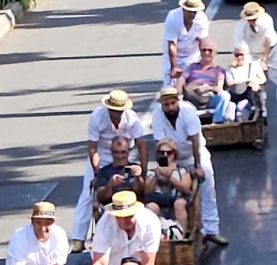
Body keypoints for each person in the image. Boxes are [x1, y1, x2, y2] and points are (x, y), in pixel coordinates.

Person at [71, 89, 148, 252]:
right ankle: (78, 238)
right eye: (113, 111)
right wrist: (98, 174)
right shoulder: (97, 117)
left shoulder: (131, 118)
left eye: (119, 111)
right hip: (103, 154)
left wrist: (143, 169)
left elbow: (142, 144)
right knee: (88, 193)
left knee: (133, 190)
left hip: (123, 153)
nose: (116, 114)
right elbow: (92, 148)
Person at [151, 87, 228, 247]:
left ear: (177, 101)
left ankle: (212, 230)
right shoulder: (157, 115)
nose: (170, 107)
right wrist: (166, 165)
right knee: (174, 191)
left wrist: (197, 166)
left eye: (173, 103)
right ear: (162, 104)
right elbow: (160, 143)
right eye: (167, 104)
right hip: (172, 154)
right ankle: (184, 229)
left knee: (207, 186)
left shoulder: (188, 111)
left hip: (194, 154)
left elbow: (195, 140)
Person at [233, 1, 277, 125]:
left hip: (272, 53)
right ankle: (262, 114)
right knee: (256, 86)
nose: (252, 21)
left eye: (254, 19)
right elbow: (239, 46)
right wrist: (241, 63)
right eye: (249, 19)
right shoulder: (240, 27)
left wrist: (264, 60)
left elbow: (267, 41)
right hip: (252, 55)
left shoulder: (266, 20)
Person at [91, 190, 161, 265]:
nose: (124, 221)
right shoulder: (104, 224)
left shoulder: (151, 223)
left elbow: (148, 262)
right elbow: (99, 264)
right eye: (119, 217)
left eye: (128, 217)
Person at [144, 138, 192, 236]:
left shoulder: (181, 171)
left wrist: (170, 177)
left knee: (180, 204)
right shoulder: (152, 171)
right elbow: (147, 191)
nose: (165, 156)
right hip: (158, 202)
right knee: (150, 207)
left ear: (174, 154)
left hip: (175, 201)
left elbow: (186, 188)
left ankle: (180, 237)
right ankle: (153, 237)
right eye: (161, 153)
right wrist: (156, 176)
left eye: (168, 153)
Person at [176, 38, 230, 123]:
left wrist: (207, 88)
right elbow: (181, 79)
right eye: (204, 50)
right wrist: (178, 93)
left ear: (215, 53)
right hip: (193, 97)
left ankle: (217, 123)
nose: (206, 53)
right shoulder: (192, 67)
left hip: (210, 97)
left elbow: (219, 88)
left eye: (210, 50)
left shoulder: (219, 70)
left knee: (225, 95)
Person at [162, 0, 209, 86]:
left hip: (192, 55)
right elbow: (172, 44)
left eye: (195, 11)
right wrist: (174, 67)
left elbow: (202, 43)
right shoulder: (173, 17)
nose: (193, 14)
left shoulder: (202, 18)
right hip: (174, 56)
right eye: (190, 11)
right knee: (171, 86)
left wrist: (204, 62)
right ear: (183, 9)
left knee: (193, 84)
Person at [94, 136, 144, 206]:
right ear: (111, 152)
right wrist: (110, 185)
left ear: (128, 151)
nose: (119, 156)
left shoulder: (136, 169)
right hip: (113, 208)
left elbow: (142, 193)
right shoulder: (104, 172)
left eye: (123, 152)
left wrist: (138, 178)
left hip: (134, 206)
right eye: (116, 152)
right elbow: (102, 197)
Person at [225, 40, 267, 122]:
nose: (239, 57)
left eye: (241, 55)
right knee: (230, 107)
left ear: (247, 54)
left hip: (251, 95)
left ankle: (244, 121)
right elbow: (229, 81)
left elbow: (263, 79)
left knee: (242, 107)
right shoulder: (230, 69)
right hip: (236, 95)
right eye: (237, 55)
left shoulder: (254, 66)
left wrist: (256, 82)